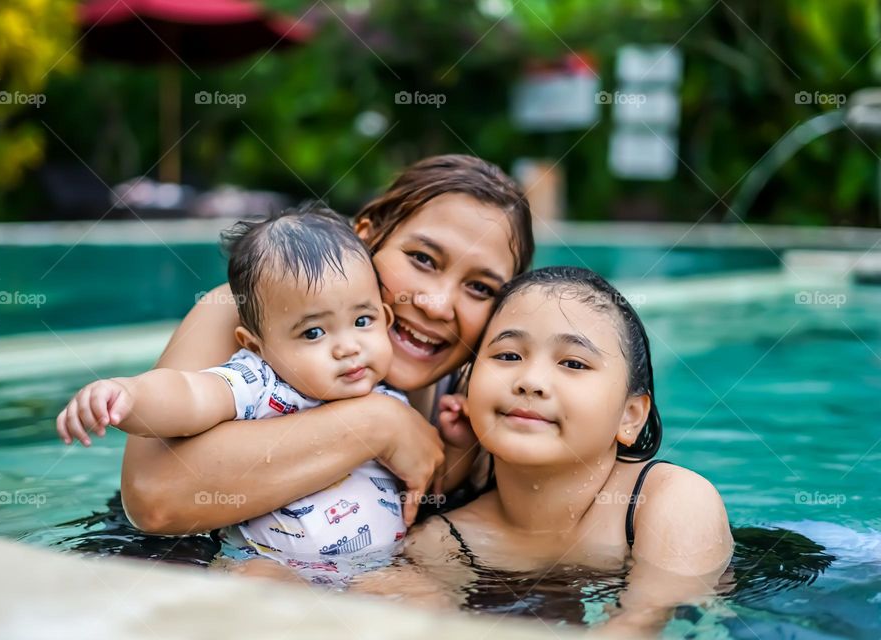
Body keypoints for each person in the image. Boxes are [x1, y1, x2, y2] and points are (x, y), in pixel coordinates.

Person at [87, 155, 535, 535]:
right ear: (366, 236)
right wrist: (378, 423)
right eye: (422, 259)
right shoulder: (243, 310)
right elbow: (154, 500)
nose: (438, 306)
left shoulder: (480, 392)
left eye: (480, 288)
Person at [356, 266, 733, 634]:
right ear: (469, 391)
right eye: (508, 356)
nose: (531, 382)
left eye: (573, 362)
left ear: (630, 416)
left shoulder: (668, 501)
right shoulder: (443, 542)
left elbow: (647, 621)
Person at [57, 204, 419, 583]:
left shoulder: (390, 393)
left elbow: (434, 472)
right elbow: (189, 394)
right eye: (313, 332)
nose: (348, 347)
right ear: (256, 346)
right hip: (272, 565)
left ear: (386, 320)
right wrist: (129, 395)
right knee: (262, 584)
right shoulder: (261, 381)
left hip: (378, 569)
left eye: (363, 321)